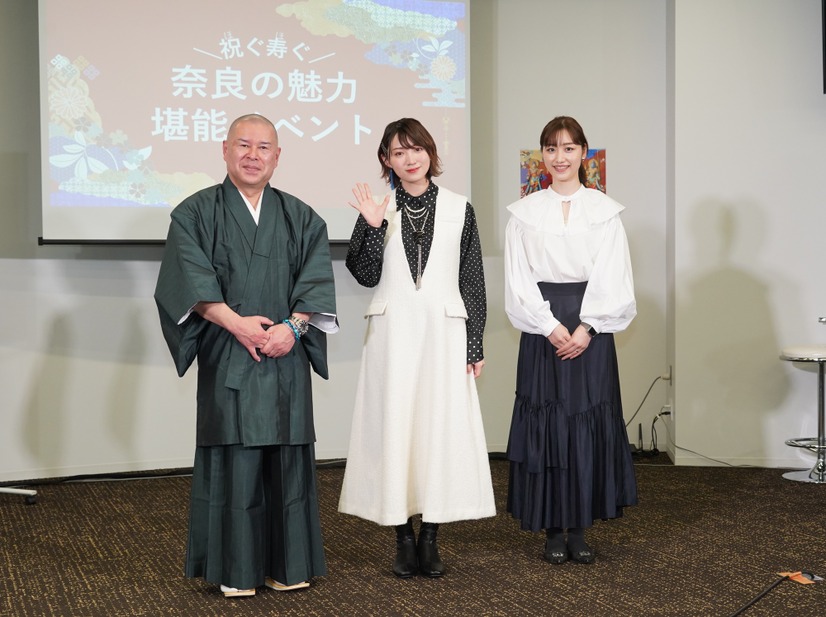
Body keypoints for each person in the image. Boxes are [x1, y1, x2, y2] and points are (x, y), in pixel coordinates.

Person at [154, 113, 338, 597]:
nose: (253, 155)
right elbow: (187, 282)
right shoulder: (194, 213)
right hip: (228, 350)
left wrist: (292, 331)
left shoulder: (302, 216)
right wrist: (237, 325)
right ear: (224, 150)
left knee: (289, 458)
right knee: (233, 458)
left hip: (285, 355)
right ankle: (235, 570)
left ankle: (287, 564)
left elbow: (315, 283)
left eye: (264, 147)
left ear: (278, 157)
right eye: (243, 145)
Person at [338, 118, 495, 578]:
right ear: (386, 160)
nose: (410, 158)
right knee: (396, 429)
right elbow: (364, 274)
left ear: (430, 152)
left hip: (445, 335)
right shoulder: (378, 208)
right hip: (393, 335)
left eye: (417, 149)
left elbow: (472, 280)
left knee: (439, 430)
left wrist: (475, 341)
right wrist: (369, 226)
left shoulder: (459, 207)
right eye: (398, 152)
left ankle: (431, 538)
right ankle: (402, 538)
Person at [503, 116, 637, 565]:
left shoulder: (605, 211)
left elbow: (613, 276)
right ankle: (551, 528)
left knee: (585, 420)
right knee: (549, 423)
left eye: (568, 148)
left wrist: (587, 327)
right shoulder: (523, 214)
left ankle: (579, 527)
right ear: (541, 155)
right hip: (544, 328)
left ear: (584, 153)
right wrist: (549, 325)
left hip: (589, 328)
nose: (559, 158)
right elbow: (518, 280)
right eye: (551, 148)